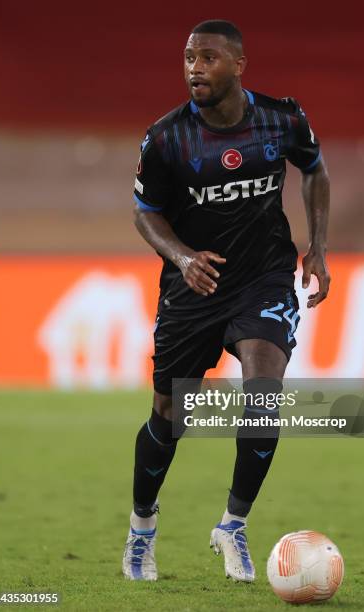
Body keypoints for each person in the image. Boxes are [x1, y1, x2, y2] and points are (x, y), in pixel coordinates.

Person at [123, 19, 330, 582]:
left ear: (239, 65)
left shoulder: (283, 119)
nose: (194, 67)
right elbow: (146, 213)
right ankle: (142, 527)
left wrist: (318, 247)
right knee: (169, 418)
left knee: (264, 391)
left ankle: (232, 525)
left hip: (263, 277)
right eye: (189, 57)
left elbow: (314, 171)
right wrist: (184, 257)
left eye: (208, 58)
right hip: (194, 289)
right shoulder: (166, 138)